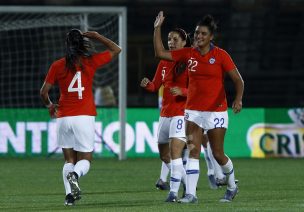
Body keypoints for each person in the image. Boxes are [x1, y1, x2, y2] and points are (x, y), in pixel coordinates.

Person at [153, 11, 244, 203]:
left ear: (211, 36)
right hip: (193, 111)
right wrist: (157, 28)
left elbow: (238, 79)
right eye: (196, 33)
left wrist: (238, 99)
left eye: (203, 33)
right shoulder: (188, 54)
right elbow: (160, 53)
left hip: (216, 110)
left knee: (218, 154)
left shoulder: (220, 55)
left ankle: (232, 186)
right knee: (193, 150)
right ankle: (191, 194)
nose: (199, 36)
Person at [40, 29, 121, 206]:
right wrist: (97, 36)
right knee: (85, 160)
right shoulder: (89, 62)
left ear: (66, 44)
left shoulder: (58, 65)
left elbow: (44, 92)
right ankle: (75, 175)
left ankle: (69, 198)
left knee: (69, 160)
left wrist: (50, 105)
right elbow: (117, 49)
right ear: (82, 44)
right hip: (83, 116)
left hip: (63, 117)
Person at [140, 27, 191, 202]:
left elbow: (200, 90)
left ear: (184, 42)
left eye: (176, 39)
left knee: (175, 153)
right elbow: (155, 86)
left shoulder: (190, 62)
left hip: (180, 114)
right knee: (164, 155)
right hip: (165, 114)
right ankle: (187, 184)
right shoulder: (163, 62)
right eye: (169, 39)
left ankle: (173, 193)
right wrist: (148, 84)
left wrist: (183, 91)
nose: (171, 42)